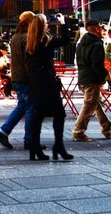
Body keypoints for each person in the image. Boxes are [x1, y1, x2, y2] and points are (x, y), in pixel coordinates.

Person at [25, 13, 73, 161]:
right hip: (47, 81)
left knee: (38, 115)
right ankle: (58, 146)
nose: (47, 24)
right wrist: (63, 23)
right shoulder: (46, 41)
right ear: (41, 25)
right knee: (59, 114)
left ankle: (35, 147)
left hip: (35, 82)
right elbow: (66, 40)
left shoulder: (30, 43)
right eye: (45, 22)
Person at [0, 11, 37, 150]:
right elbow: (28, 61)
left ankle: (3, 130)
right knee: (31, 108)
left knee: (22, 106)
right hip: (26, 78)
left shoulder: (16, 37)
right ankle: (29, 140)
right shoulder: (27, 38)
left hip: (17, 77)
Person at [72, 19, 111, 142]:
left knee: (96, 103)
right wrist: (103, 75)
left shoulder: (81, 43)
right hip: (92, 78)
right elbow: (97, 65)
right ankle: (79, 130)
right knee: (90, 104)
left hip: (84, 76)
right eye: (99, 27)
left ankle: (107, 128)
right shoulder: (97, 44)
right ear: (96, 28)